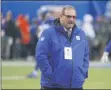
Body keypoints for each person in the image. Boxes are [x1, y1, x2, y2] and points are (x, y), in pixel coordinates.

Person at [36, 5, 89, 89]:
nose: (71, 19)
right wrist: (50, 75)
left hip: (76, 85)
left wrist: (83, 74)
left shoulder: (81, 34)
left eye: (74, 17)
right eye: (68, 16)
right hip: (53, 86)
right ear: (61, 17)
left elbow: (85, 56)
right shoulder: (48, 33)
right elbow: (40, 55)